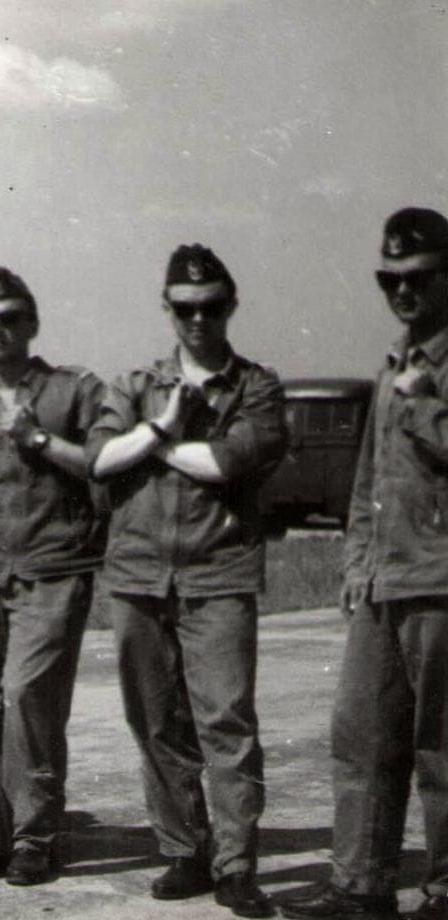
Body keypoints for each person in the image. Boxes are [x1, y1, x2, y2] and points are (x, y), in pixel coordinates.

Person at [87, 244, 287, 919]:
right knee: (153, 721)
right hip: (139, 575)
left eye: (208, 307)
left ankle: (235, 865)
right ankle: (183, 850)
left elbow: (228, 462)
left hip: (218, 572)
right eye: (182, 309)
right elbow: (99, 458)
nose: (196, 320)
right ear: (167, 309)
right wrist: (157, 427)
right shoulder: (133, 383)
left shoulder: (255, 387)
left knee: (224, 719)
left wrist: (159, 438)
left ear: (228, 306)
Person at [281, 208, 448, 920]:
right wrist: (354, 560)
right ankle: (359, 885)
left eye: (415, 278)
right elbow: (365, 478)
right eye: (388, 279)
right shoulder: (393, 363)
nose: (400, 292)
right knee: (359, 739)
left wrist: (424, 410)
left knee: (440, 751)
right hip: (382, 583)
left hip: (440, 583)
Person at [0, 267, 104, 886]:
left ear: (32, 323)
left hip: (53, 577)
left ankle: (34, 838)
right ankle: (10, 827)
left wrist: (37, 438)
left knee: (25, 698)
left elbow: (106, 465)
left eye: (11, 317)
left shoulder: (73, 391)